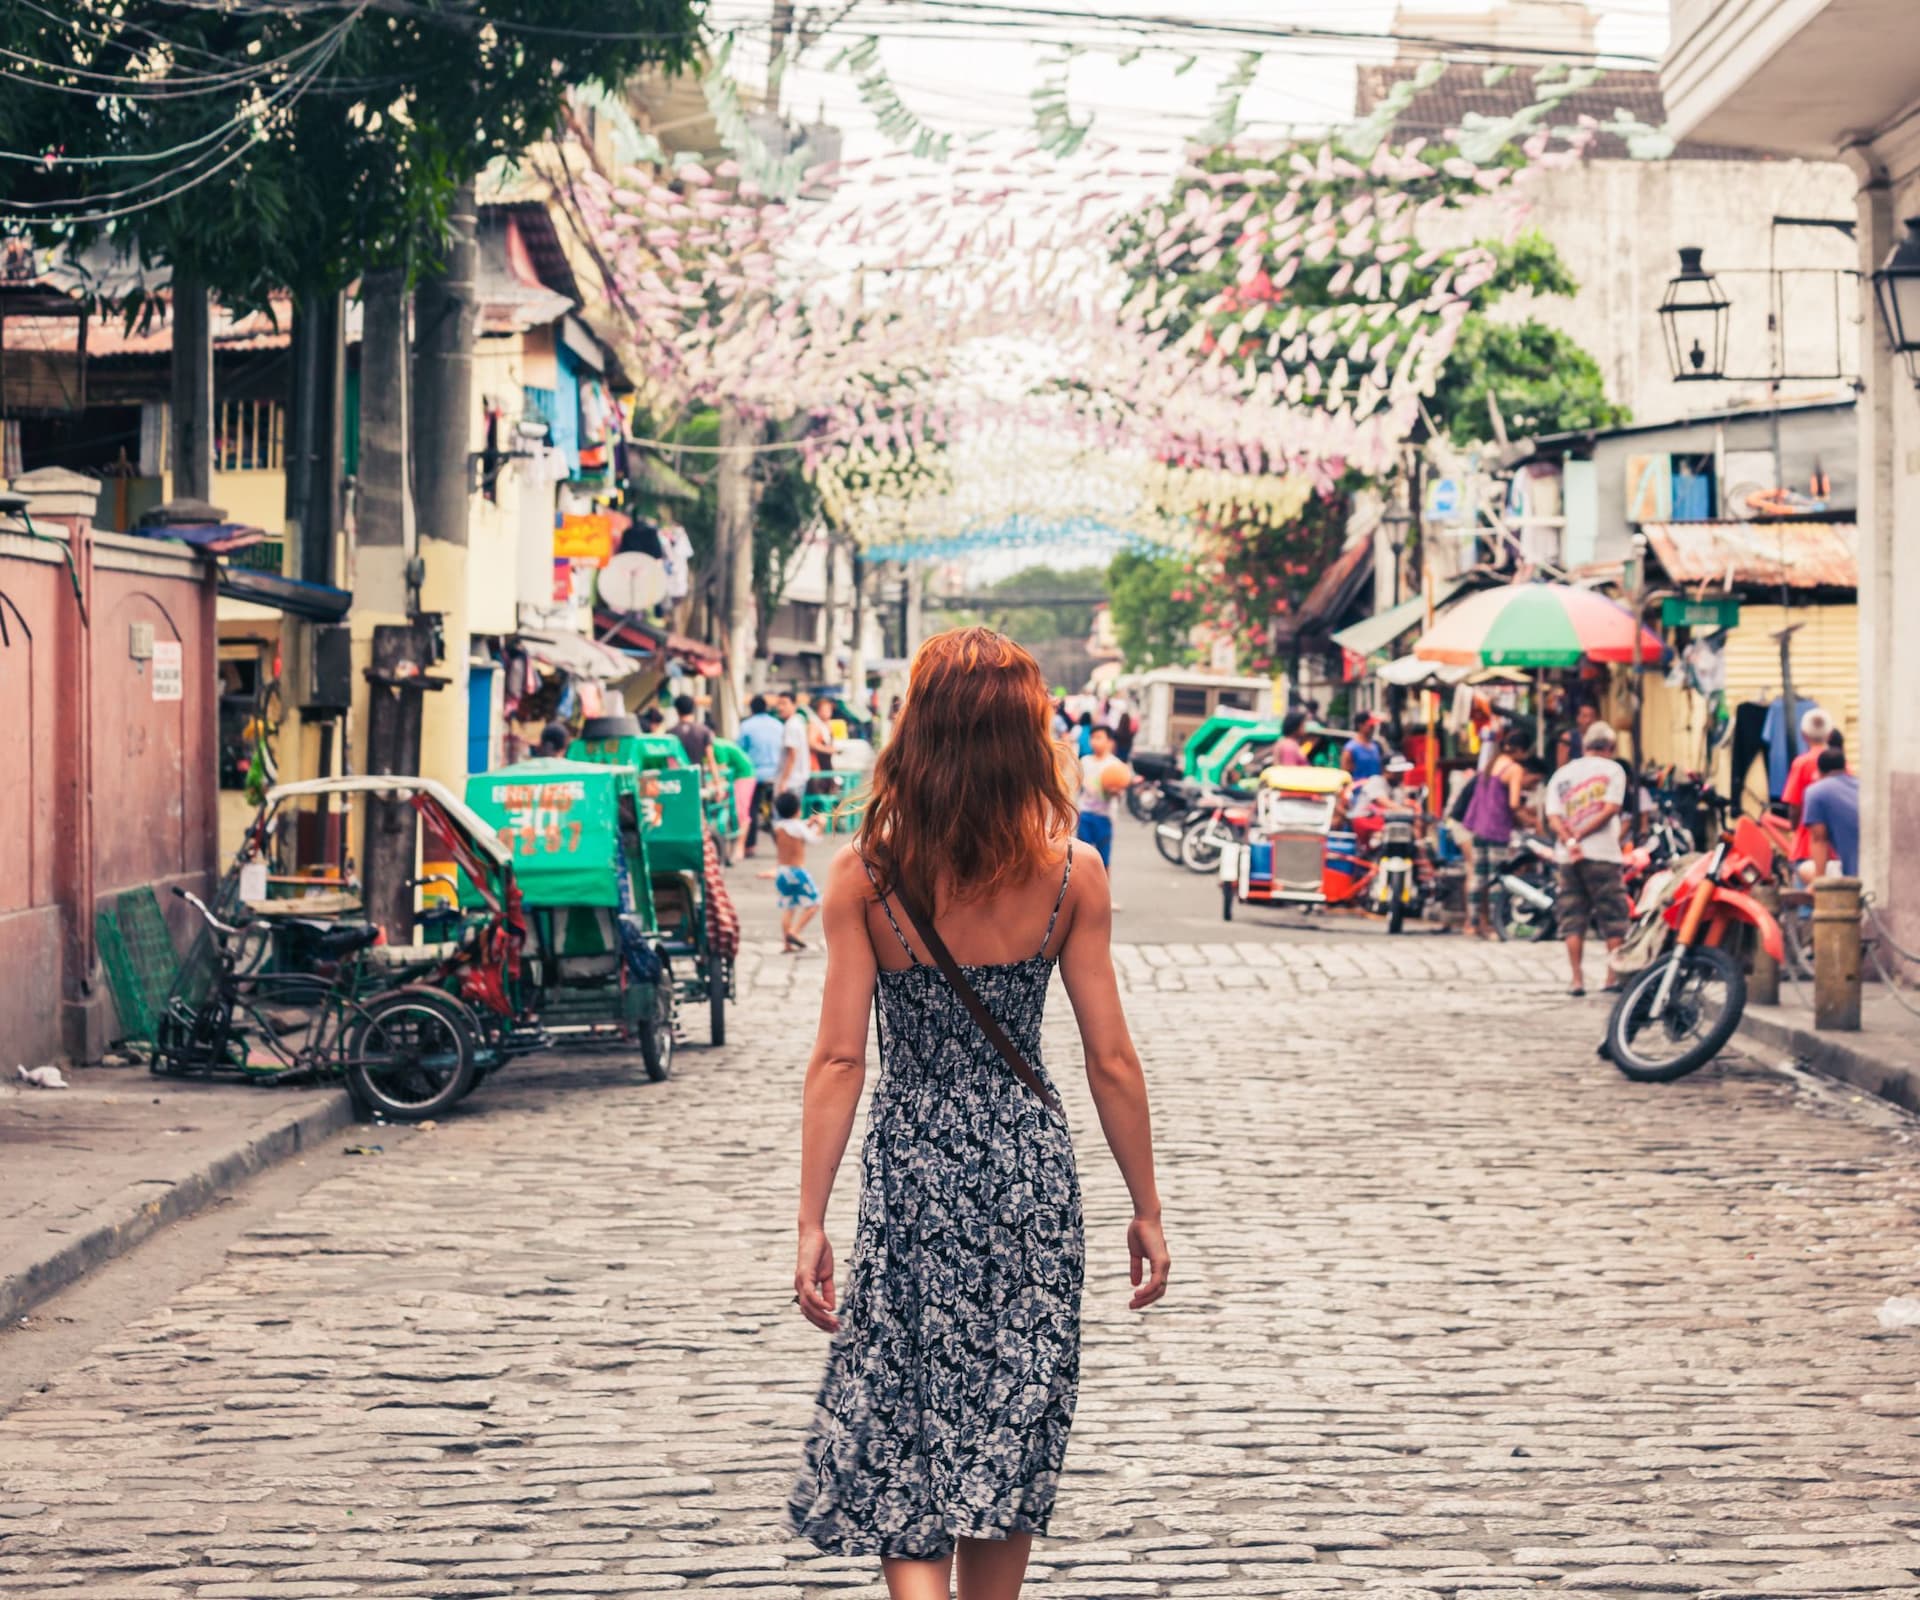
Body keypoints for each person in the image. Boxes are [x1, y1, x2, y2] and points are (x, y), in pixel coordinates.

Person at [788, 627, 1169, 1598]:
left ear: (917, 732)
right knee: (1010, 1416)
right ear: (1024, 738)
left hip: (915, 1171)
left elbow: (840, 1058)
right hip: (1029, 1177)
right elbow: (1110, 1057)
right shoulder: (1071, 872)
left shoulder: (863, 876)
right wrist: (1147, 1204)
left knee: (903, 1416)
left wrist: (810, 1217)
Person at [1545, 720, 1632, 998]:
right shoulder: (1613, 770)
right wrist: (1582, 834)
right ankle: (1611, 977)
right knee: (1613, 914)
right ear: (1611, 747)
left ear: (1584, 746)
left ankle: (1577, 979)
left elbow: (1553, 817)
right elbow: (1611, 809)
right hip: (1603, 853)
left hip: (1568, 857)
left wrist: (1570, 839)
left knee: (1572, 914)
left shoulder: (1562, 774)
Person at [1461, 727, 1534, 939]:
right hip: (1497, 828)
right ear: (1521, 751)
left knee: (1478, 877)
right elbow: (1513, 803)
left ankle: (1473, 923)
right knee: (1495, 879)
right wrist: (1528, 820)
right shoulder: (1513, 769)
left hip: (1478, 827)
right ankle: (1495, 923)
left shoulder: (1490, 764)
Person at [773, 790, 825, 951]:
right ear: (798, 809)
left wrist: (807, 824)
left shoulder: (779, 826)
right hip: (797, 872)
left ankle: (786, 944)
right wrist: (821, 826)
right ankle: (795, 932)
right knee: (815, 903)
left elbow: (795, 829)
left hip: (782, 872)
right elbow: (813, 839)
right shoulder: (798, 827)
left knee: (789, 907)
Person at [1784, 712, 1839, 864]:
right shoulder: (1842, 764)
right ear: (1830, 734)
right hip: (1836, 849)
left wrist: (1795, 828)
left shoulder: (1802, 764)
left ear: (1803, 735)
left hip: (1806, 846)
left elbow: (1794, 806)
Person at [1074, 723, 1128, 871]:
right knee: (1080, 859)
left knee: (1103, 862)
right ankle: (1080, 892)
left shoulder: (1115, 766)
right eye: (1092, 738)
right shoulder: (1085, 761)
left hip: (1105, 817)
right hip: (1085, 814)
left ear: (1110, 742)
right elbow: (1077, 787)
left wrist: (1115, 791)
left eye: (1099, 738)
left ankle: (1103, 893)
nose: (1094, 741)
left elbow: (1120, 793)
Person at [738, 694, 785, 858]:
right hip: (776, 774)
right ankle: (782, 844)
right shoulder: (778, 725)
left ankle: (750, 846)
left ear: (751, 709)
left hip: (754, 775)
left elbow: (741, 753)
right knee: (777, 810)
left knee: (750, 810)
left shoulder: (746, 726)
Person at [1802, 744, 1860, 879]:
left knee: (1805, 869)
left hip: (1853, 873)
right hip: (1878, 866)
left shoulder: (1816, 791)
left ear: (1819, 771)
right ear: (1845, 768)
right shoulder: (1861, 785)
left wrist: (1818, 883)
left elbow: (1819, 839)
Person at [775, 690, 812, 799]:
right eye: (779, 704)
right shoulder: (798, 722)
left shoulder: (791, 725)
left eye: (784, 703)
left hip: (791, 782)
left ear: (794, 705)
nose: (780, 708)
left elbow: (792, 755)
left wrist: (784, 781)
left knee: (785, 815)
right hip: (797, 780)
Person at [671, 693, 715, 771]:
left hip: (678, 779)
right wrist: (716, 780)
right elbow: (711, 760)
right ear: (692, 709)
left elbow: (669, 761)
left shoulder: (671, 733)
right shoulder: (704, 730)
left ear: (677, 711)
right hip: (698, 778)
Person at [1342, 714, 1385, 782]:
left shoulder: (1376, 746)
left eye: (1373, 726)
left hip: (1375, 788)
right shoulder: (1351, 748)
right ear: (1360, 725)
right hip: (1359, 790)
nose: (1373, 728)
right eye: (1370, 725)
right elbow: (1345, 773)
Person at [810, 695, 839, 774]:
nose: (827, 712)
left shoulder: (827, 725)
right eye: (824, 710)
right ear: (818, 710)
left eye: (829, 709)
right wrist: (827, 750)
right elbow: (811, 743)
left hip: (827, 764)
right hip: (817, 765)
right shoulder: (815, 724)